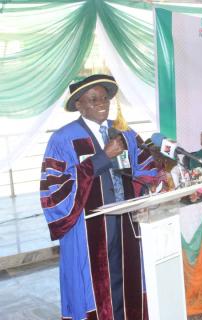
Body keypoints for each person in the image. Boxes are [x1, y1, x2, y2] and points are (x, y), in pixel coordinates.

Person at [40, 74, 159, 320]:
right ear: (79, 106)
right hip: (86, 228)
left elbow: (145, 170)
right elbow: (55, 191)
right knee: (93, 286)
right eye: (92, 99)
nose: (101, 103)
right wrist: (102, 157)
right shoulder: (63, 138)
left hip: (126, 222)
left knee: (125, 278)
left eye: (104, 98)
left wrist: (152, 183)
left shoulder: (124, 133)